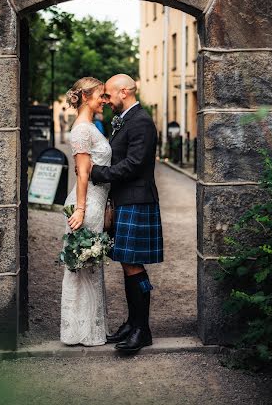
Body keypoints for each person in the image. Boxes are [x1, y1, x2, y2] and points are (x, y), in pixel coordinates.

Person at [91, 74, 163, 353]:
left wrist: (99, 174)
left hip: (137, 200)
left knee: (133, 264)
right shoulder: (126, 120)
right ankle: (133, 323)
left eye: (108, 94)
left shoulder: (141, 121)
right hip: (126, 199)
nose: (106, 100)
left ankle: (142, 330)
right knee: (127, 262)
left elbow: (134, 164)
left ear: (124, 92)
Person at [60, 77, 111, 346]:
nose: (104, 100)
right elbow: (82, 174)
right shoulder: (82, 130)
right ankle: (79, 331)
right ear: (86, 97)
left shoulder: (91, 127)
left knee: (90, 268)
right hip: (87, 203)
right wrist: (80, 210)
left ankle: (91, 327)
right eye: (101, 96)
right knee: (83, 266)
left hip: (97, 202)